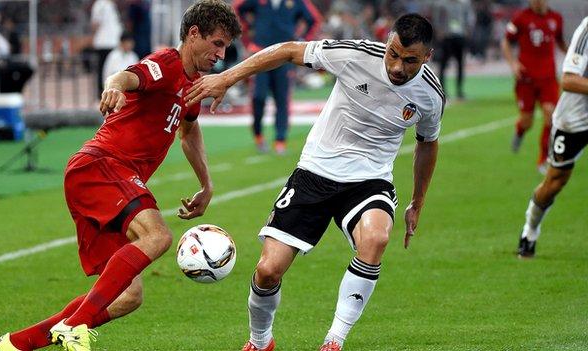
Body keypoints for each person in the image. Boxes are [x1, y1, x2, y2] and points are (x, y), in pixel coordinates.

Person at [0, 1, 241, 351]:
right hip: (102, 165)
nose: (222, 53)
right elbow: (126, 76)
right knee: (157, 237)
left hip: (102, 176)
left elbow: (189, 130)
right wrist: (112, 87)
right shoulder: (167, 63)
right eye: (217, 43)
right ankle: (75, 324)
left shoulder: (193, 84)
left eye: (226, 46)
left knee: (128, 296)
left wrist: (206, 184)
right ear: (194, 34)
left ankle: (14, 344)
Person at [186, 13, 443, 351]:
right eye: (392, 53)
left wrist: (417, 202)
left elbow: (427, 143)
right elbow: (289, 50)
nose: (396, 67)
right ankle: (260, 341)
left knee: (376, 239)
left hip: (370, 179)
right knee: (268, 270)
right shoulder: (355, 54)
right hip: (315, 171)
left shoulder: (430, 96)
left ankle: (333, 341)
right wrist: (228, 77)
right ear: (387, 43)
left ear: (427, 58)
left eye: (409, 60)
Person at [516, 16, 588, 259]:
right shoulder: (587, 30)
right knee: (554, 182)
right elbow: (568, 80)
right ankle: (530, 229)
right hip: (575, 119)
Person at [233, 0, 322, 154]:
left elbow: (314, 20)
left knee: (282, 99)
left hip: (286, 57)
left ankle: (280, 140)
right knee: (258, 97)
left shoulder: (297, 2)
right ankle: (258, 134)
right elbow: (236, 9)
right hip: (260, 54)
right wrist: (246, 35)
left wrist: (303, 43)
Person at [501, 0, 567, 174]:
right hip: (526, 79)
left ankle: (543, 159)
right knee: (526, 120)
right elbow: (506, 42)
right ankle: (520, 130)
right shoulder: (520, 18)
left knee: (551, 115)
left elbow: (560, 42)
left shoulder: (556, 18)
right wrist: (513, 64)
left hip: (548, 78)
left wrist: (573, 57)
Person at [431, 0, 474, 100]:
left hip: (460, 36)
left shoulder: (464, 4)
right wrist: (439, 31)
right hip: (447, 36)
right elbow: (437, 19)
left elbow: (468, 18)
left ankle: (459, 91)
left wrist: (467, 30)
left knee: (460, 64)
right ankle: (442, 90)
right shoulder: (441, 4)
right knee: (443, 64)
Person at [90, 0, 123, 97]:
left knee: (112, 68)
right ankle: (102, 91)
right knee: (104, 69)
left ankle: (111, 89)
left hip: (113, 42)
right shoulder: (100, 4)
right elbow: (95, 24)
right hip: (104, 43)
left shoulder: (111, 4)